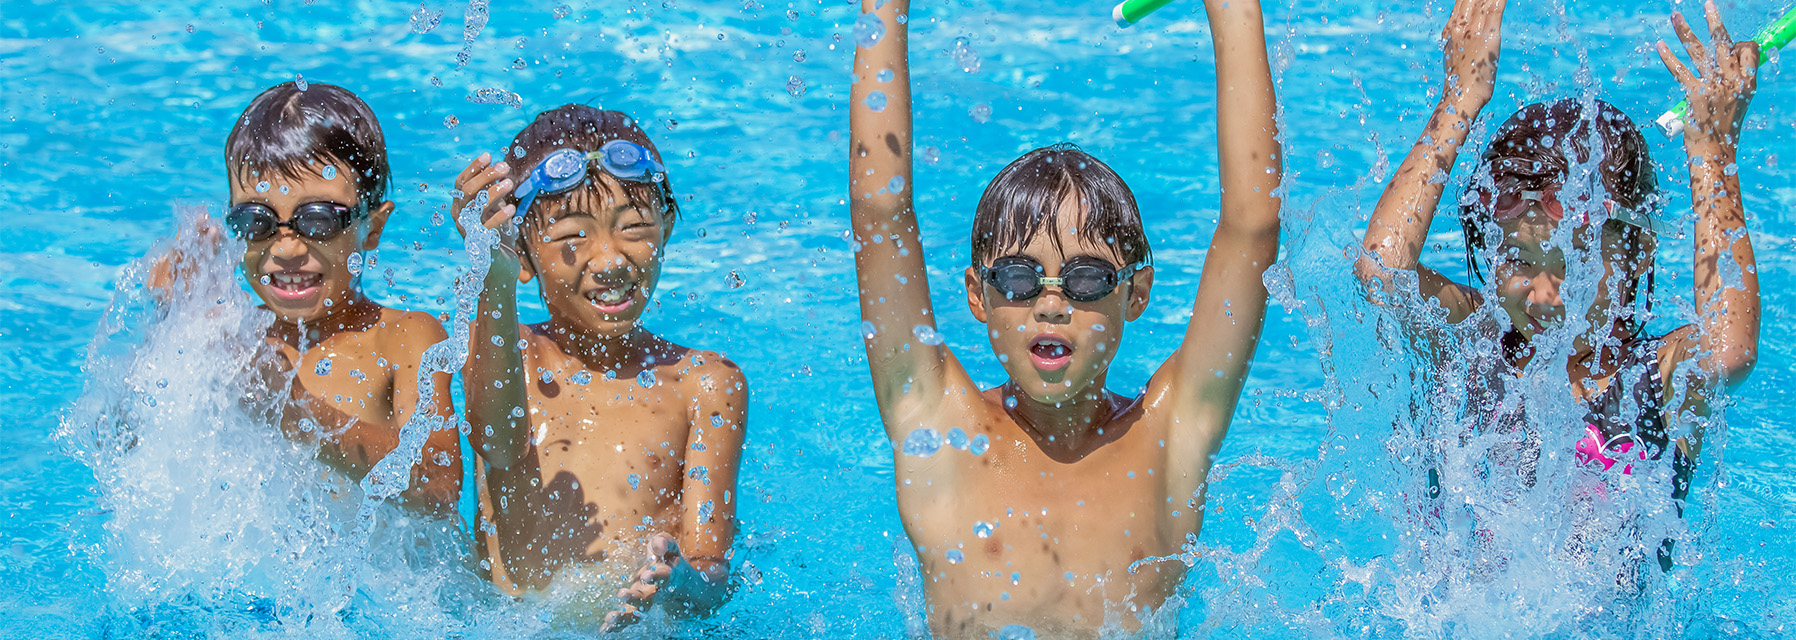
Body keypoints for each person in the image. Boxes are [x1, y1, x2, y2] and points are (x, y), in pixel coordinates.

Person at [848, 0, 1283, 635]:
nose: (1051, 302)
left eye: (1086, 279)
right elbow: (878, 215)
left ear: (1134, 294)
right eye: (1018, 279)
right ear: (978, 295)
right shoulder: (937, 426)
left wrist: (1236, 10)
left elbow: (1253, 229)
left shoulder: (1170, 434)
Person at [1356, 0, 1760, 571]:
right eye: (1518, 260)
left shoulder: (1657, 379)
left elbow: (1730, 350)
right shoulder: (1473, 341)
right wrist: (1458, 102)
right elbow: (1381, 273)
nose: (1546, 296)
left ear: (1637, 253)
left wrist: (1712, 156)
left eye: (1575, 266)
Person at [452, 105, 743, 630]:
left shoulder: (706, 383)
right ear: (522, 255)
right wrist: (490, 275)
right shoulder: (509, 353)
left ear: (667, 227)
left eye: (634, 228)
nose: (609, 260)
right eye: (572, 238)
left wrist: (676, 581)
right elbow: (494, 441)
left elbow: (710, 578)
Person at [151, 81, 462, 515]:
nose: (286, 250)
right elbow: (125, 450)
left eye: (317, 221)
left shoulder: (402, 340)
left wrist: (291, 407)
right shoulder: (234, 339)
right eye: (256, 222)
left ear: (372, 228)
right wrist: (172, 325)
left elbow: (438, 487)